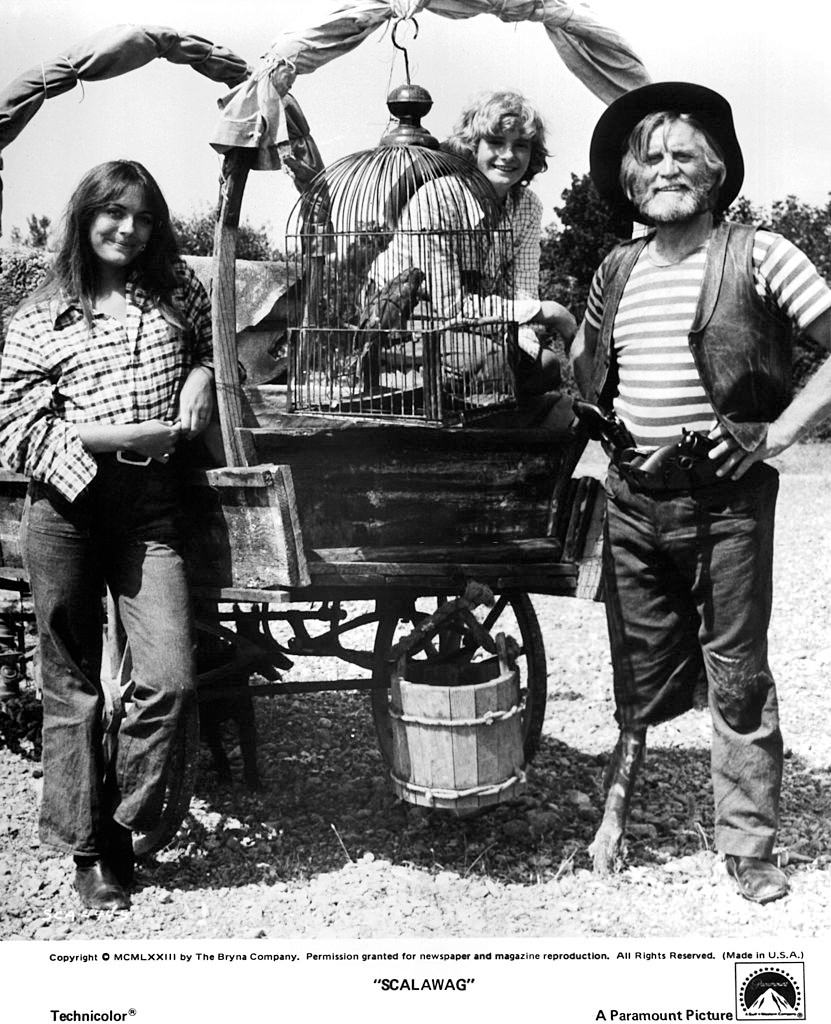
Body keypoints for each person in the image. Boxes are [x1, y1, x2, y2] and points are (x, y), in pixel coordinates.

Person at [570, 81, 831, 904]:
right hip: (632, 496)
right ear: (628, 181)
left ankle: (747, 845)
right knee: (639, 662)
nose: (666, 170)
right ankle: (617, 805)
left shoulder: (760, 252)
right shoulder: (615, 268)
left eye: (685, 156)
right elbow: (583, 370)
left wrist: (776, 434)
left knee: (737, 670)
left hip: (724, 501)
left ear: (715, 173)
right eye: (650, 159)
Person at [0, 159, 215, 911]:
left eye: (143, 216)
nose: (127, 228)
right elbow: (14, 429)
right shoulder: (39, 315)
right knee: (72, 687)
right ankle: (87, 851)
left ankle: (125, 826)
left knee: (169, 679)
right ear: (84, 216)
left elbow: (214, 344)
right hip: (65, 510)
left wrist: (201, 376)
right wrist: (129, 433)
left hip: (149, 510)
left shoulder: (177, 290)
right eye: (113, 213)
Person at [368, 90, 576, 407]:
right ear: (473, 147)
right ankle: (395, 378)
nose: (508, 155)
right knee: (493, 364)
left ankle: (477, 383)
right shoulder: (438, 199)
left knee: (547, 367)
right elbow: (451, 307)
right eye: (495, 142)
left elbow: (523, 297)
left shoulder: (528, 207)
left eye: (520, 145)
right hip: (405, 323)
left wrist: (520, 343)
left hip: (476, 328)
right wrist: (554, 314)